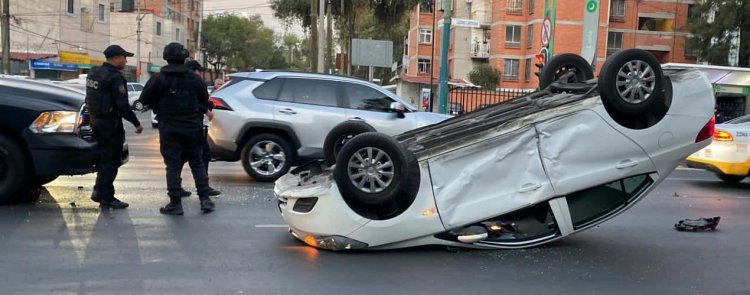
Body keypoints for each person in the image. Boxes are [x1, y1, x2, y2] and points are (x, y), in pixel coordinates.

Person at [139, 43, 215, 215]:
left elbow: (143, 101)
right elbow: (205, 103)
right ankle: (205, 199)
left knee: (172, 165)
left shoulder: (158, 79)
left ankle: (175, 203)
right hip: (192, 128)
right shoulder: (195, 79)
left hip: (169, 128)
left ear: (166, 57)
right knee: (197, 162)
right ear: (184, 57)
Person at [86, 45, 144, 209]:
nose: (126, 61)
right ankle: (107, 197)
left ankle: (99, 191)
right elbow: (123, 106)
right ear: (116, 58)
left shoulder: (94, 73)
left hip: (96, 121)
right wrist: (137, 124)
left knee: (104, 159)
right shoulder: (115, 77)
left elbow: (89, 98)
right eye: (124, 57)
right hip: (110, 124)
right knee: (111, 161)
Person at [185, 60, 221, 197]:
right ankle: (203, 190)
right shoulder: (196, 82)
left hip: (177, 127)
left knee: (177, 160)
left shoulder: (173, 80)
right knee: (203, 155)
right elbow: (199, 102)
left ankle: (176, 191)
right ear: (196, 70)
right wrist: (207, 108)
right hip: (194, 126)